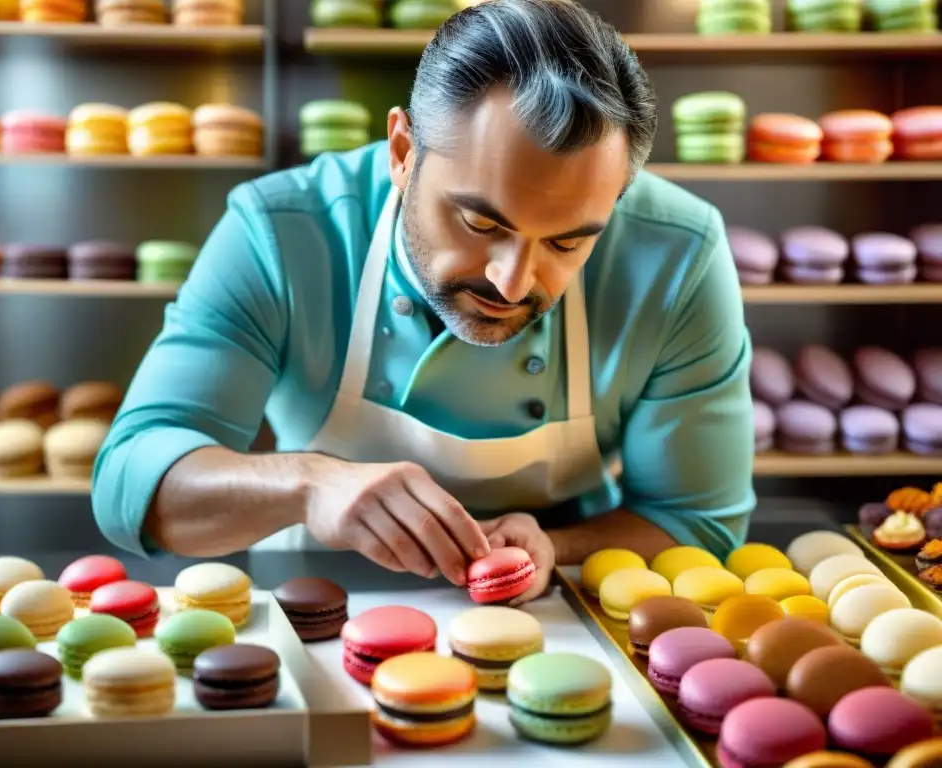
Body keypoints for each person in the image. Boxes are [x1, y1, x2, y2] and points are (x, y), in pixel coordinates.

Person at [92, 0, 754, 605]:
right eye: (480, 223)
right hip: (311, 612)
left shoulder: (677, 253)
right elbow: (131, 485)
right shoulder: (281, 232)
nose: (513, 281)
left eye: (567, 242)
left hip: (564, 611)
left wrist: (560, 549)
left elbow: (695, 519)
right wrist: (309, 483)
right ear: (404, 152)